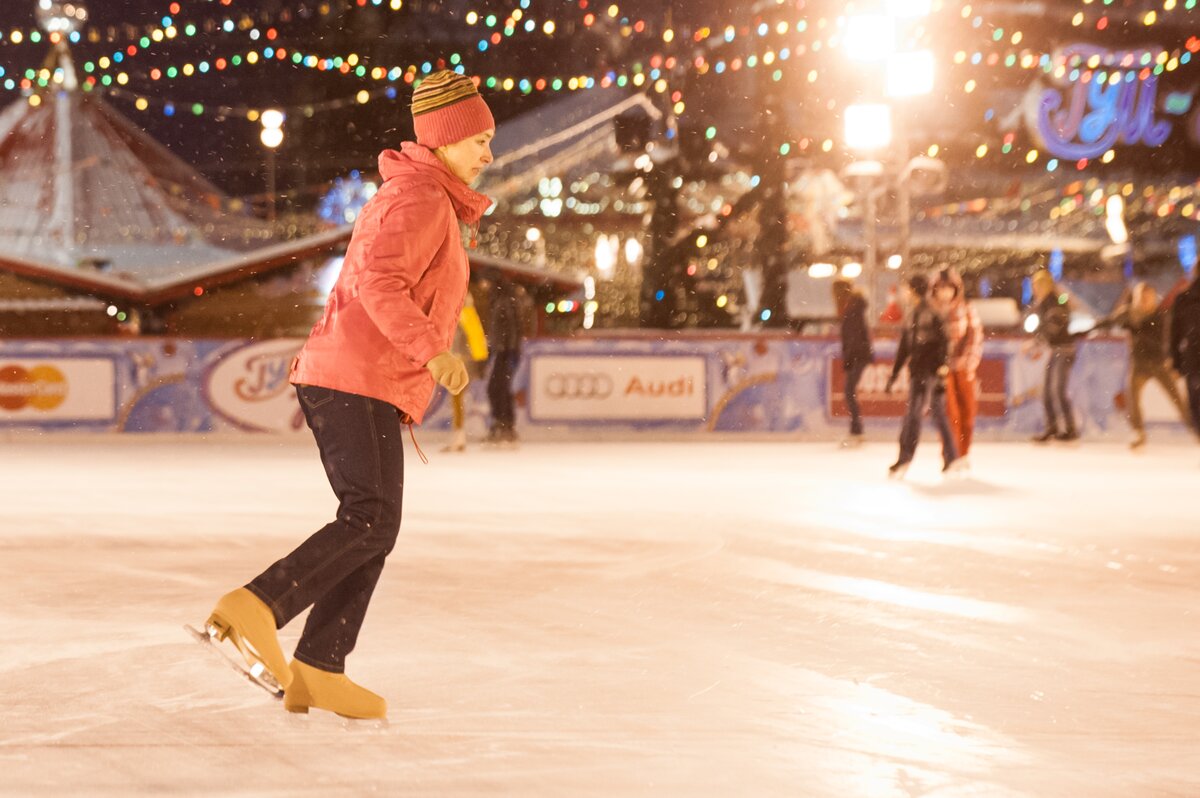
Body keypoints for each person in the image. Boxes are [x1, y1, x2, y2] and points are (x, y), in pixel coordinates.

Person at [200, 70, 495, 720]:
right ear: (445, 139)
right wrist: (432, 351)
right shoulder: (420, 198)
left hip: (362, 377)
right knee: (369, 517)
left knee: (374, 524)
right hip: (353, 375)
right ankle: (256, 606)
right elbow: (379, 283)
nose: (488, 154)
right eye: (479, 140)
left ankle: (320, 664)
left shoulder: (424, 195)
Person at [1100, 282, 1194, 448]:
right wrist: (1082, 332)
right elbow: (1109, 321)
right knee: (1132, 398)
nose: (1145, 301)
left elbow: (1159, 340)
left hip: (1159, 364)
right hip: (1139, 365)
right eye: (1142, 297)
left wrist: (1137, 330)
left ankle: (1194, 427)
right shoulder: (1130, 314)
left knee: (1178, 400)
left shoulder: (1160, 316)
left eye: (1148, 297)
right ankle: (1138, 432)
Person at [885, 274, 960, 478]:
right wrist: (894, 374)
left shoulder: (927, 313)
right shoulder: (915, 313)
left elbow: (944, 341)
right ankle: (952, 456)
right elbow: (905, 347)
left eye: (906, 289)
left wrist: (941, 366)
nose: (904, 293)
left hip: (925, 372)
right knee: (937, 413)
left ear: (912, 290)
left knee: (913, 416)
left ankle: (905, 458)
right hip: (924, 371)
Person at [931, 268, 983, 465]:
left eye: (948, 288)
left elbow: (974, 336)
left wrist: (968, 362)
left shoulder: (966, 308)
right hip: (942, 369)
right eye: (941, 288)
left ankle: (963, 453)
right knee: (949, 413)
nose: (945, 293)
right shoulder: (932, 310)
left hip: (963, 367)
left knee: (967, 411)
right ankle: (951, 454)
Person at [1028, 269, 1079, 442]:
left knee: (1057, 390)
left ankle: (1069, 429)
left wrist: (1037, 341)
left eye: (1037, 285)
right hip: (1056, 350)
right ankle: (1053, 427)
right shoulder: (1045, 302)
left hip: (1064, 350)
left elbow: (1054, 325)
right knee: (1048, 391)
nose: (1035, 289)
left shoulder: (1053, 301)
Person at [442, 293, 489, 453]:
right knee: (458, 400)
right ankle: (459, 436)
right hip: (466, 361)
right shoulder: (469, 314)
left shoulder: (461, 316)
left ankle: (459, 437)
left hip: (461, 361)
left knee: (457, 399)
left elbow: (459, 342)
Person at [832, 277, 873, 446]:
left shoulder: (852, 308)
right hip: (858, 355)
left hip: (858, 355)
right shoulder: (851, 307)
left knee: (849, 392)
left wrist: (850, 357)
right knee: (849, 392)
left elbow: (854, 336)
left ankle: (857, 431)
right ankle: (856, 430)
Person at [486, 277, 521, 444]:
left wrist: (507, 349)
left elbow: (511, 328)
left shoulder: (504, 302)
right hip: (503, 351)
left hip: (504, 352)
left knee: (498, 388)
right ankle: (503, 424)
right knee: (499, 388)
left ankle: (504, 425)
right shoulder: (501, 301)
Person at [1169, 270, 1200, 440]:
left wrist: (1175, 361)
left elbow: (1175, 332)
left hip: (1192, 355)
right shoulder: (1184, 298)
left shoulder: (1184, 297)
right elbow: (1175, 331)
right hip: (1193, 355)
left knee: (1195, 400)